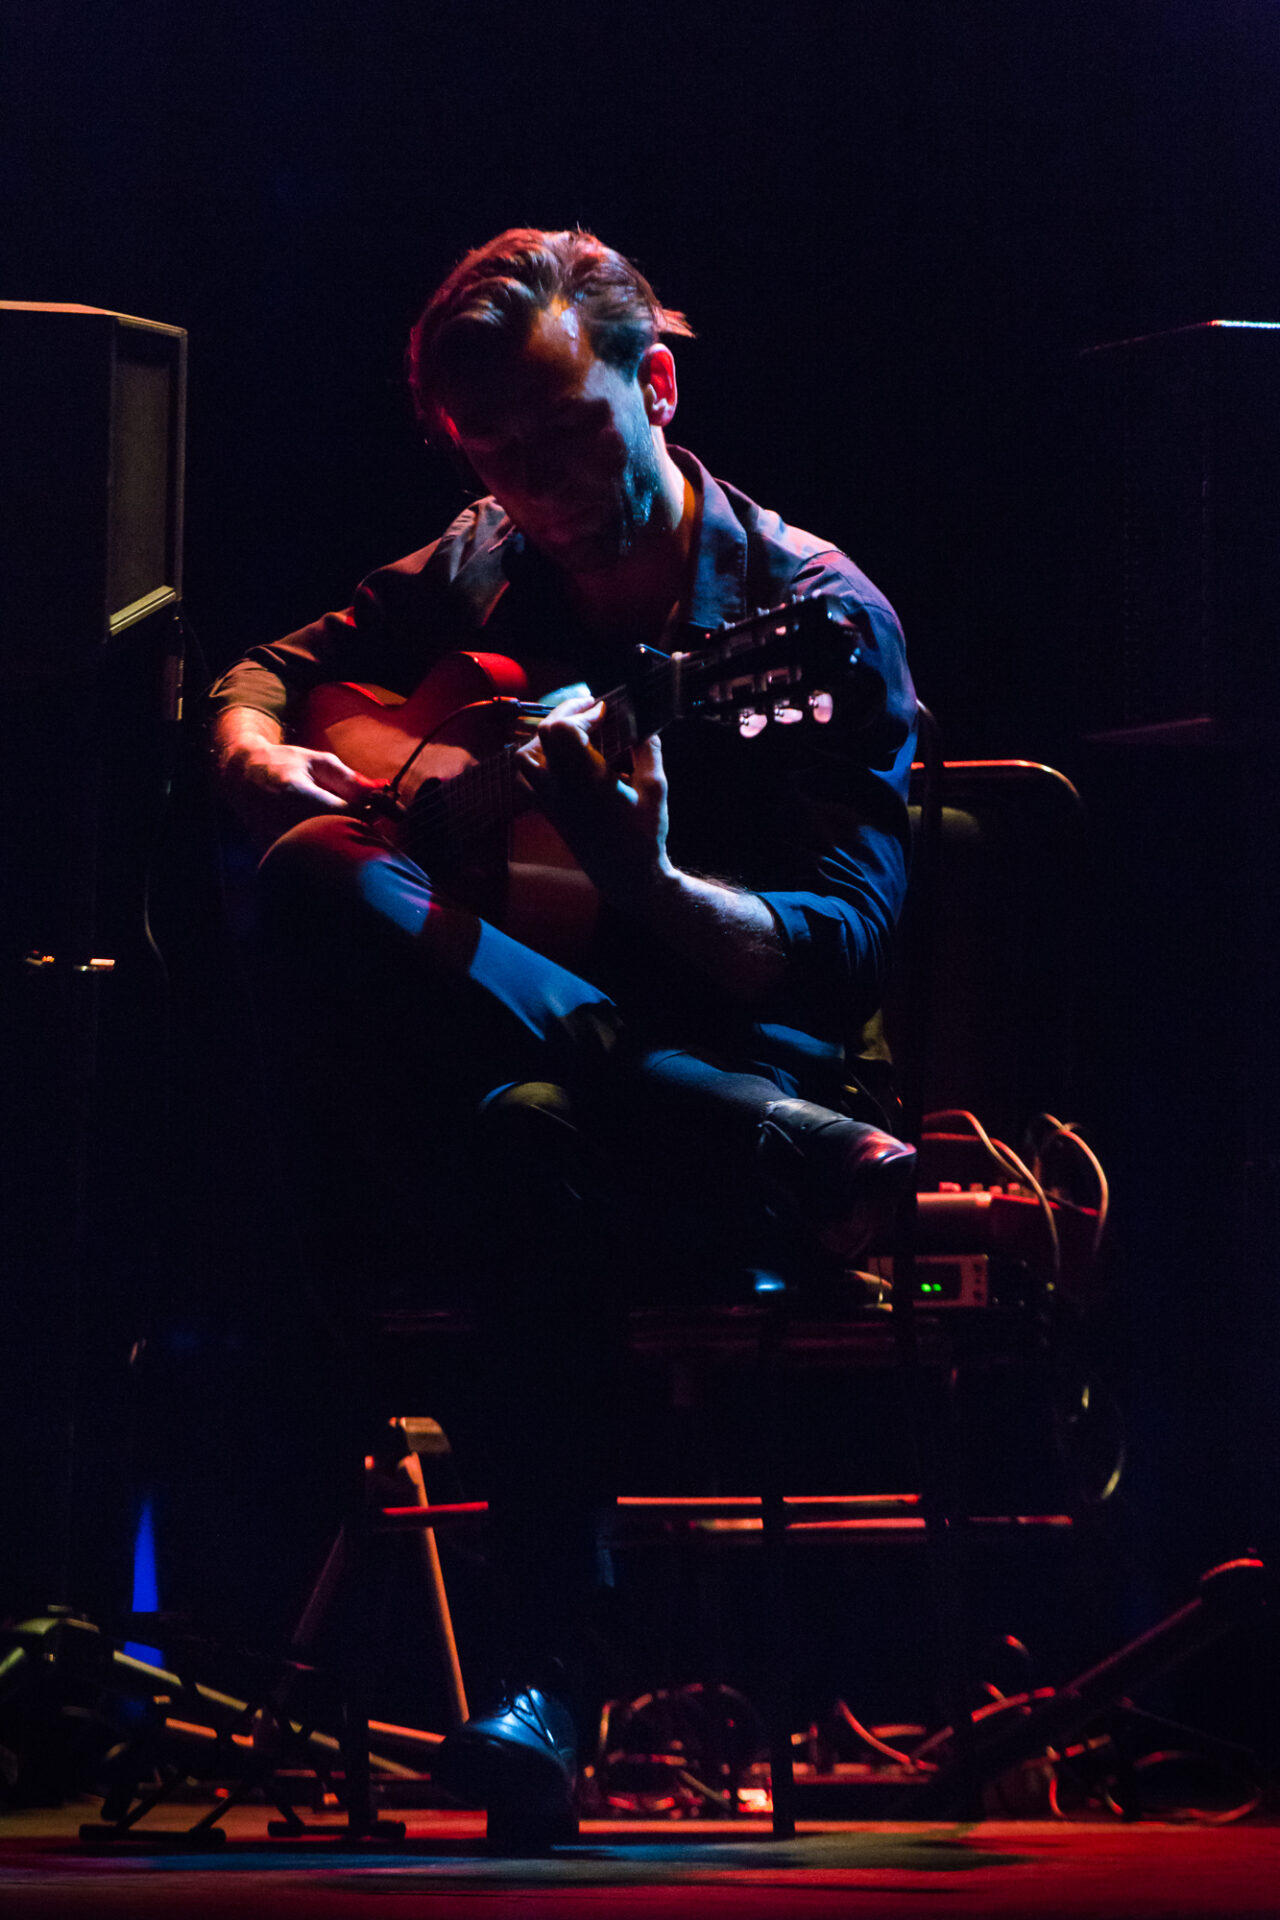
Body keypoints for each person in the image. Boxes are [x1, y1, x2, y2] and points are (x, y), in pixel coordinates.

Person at [209, 228, 919, 1848]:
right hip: (672, 1119)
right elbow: (266, 670)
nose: (534, 491)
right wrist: (252, 749)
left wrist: (651, 885)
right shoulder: (484, 563)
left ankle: (543, 1678)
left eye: (567, 438)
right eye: (494, 458)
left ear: (655, 385)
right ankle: (680, 1103)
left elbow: (838, 953)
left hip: (764, 1083)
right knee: (314, 869)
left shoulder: (812, 620)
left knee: (518, 1133)